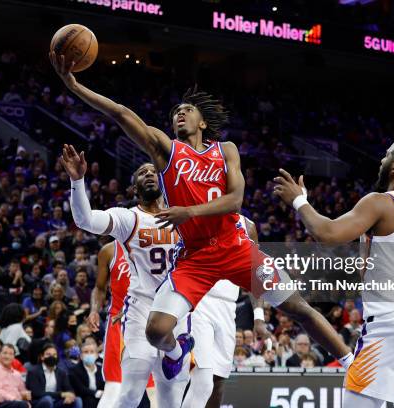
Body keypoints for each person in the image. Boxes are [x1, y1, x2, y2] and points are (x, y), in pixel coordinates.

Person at [51, 55, 352, 382]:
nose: (179, 113)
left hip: (236, 248)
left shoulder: (226, 150)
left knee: (298, 308)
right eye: (175, 112)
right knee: (156, 332)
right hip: (195, 257)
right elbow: (120, 112)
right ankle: (177, 351)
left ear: (203, 122)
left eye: (187, 109)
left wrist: (188, 212)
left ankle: (354, 366)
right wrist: (74, 85)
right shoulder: (166, 151)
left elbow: (235, 200)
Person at [273, 139, 394, 407]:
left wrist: (299, 201)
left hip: (393, 320)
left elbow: (328, 234)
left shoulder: (381, 203)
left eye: (386, 155)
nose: (381, 160)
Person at [66, 159, 187, 408]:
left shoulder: (184, 217)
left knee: (171, 398)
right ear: (135, 188)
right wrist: (77, 181)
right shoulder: (128, 218)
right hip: (141, 311)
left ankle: (178, 353)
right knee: (130, 393)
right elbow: (85, 220)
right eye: (143, 173)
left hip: (179, 311)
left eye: (154, 171)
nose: (150, 174)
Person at [183, 215, 270, 408]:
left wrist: (258, 318)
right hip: (198, 302)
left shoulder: (248, 226)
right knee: (202, 378)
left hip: (228, 307)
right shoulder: (197, 217)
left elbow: (256, 274)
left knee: (218, 380)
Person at [90, 240, 155, 407]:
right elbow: (99, 287)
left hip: (152, 322)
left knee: (157, 388)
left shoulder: (158, 244)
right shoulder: (109, 251)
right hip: (120, 323)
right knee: (114, 386)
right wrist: (94, 310)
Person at [25, 343, 82, 408]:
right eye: (48, 354)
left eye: (54, 355)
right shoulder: (33, 372)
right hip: (40, 402)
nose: (51, 357)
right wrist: (61, 394)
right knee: (47, 399)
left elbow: (69, 389)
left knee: (77, 400)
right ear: (42, 357)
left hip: (57, 402)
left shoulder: (61, 372)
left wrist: (70, 396)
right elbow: (37, 393)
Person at [0, 344, 32, 408]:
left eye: (11, 354)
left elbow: (22, 391)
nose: (7, 356)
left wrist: (25, 395)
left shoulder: (17, 374)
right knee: (22, 405)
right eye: (5, 353)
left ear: (14, 357)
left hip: (16, 403)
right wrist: (15, 399)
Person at [68, 340, 104, 408]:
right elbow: (80, 389)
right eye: (86, 352)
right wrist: (97, 393)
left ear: (96, 355)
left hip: (100, 398)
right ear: (81, 356)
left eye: (92, 352)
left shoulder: (101, 369)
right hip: (84, 398)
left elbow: (104, 385)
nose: (89, 354)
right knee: (90, 400)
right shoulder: (74, 370)